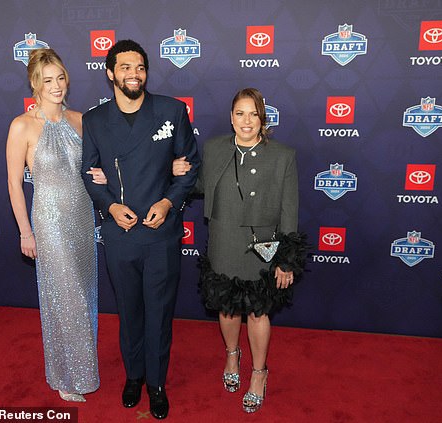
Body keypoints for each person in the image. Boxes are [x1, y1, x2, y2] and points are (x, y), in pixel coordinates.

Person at [80, 39, 200, 419]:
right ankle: (134, 377)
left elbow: (190, 165)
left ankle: (156, 383)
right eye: (126, 68)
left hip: (161, 232)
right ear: (110, 73)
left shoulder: (171, 111)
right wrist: (111, 206)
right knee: (129, 310)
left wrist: (167, 203)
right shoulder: (94, 120)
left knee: (159, 312)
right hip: (119, 232)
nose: (134, 74)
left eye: (140, 67)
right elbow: (89, 173)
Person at [175, 88, 306, 413]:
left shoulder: (283, 155)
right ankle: (232, 356)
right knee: (228, 308)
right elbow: (201, 186)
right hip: (223, 242)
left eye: (253, 114)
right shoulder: (215, 147)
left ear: (263, 118)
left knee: (258, 312)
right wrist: (179, 172)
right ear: (231, 117)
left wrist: (287, 260)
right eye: (239, 113)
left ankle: (259, 373)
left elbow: (289, 211)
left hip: (262, 249)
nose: (246, 121)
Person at [6, 48, 102, 402]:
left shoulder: (80, 120)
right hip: (48, 221)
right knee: (65, 299)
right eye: (48, 80)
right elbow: (15, 183)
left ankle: (80, 368)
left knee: (85, 296)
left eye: (60, 77)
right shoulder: (22, 126)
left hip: (81, 216)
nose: (57, 85)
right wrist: (25, 232)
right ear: (35, 83)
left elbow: (92, 169)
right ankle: (66, 374)